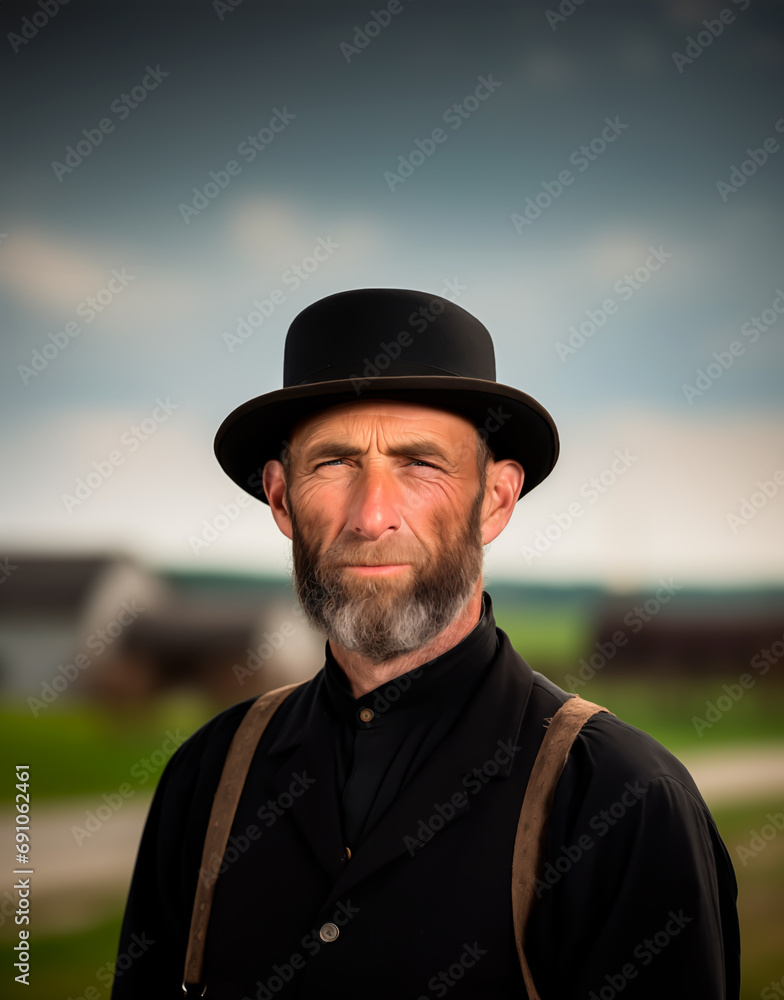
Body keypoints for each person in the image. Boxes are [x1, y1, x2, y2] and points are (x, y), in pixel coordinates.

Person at [111, 288, 739, 999]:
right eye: (335, 463)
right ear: (282, 500)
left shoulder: (623, 800)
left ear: (495, 500)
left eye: (420, 464)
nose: (373, 516)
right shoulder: (206, 780)